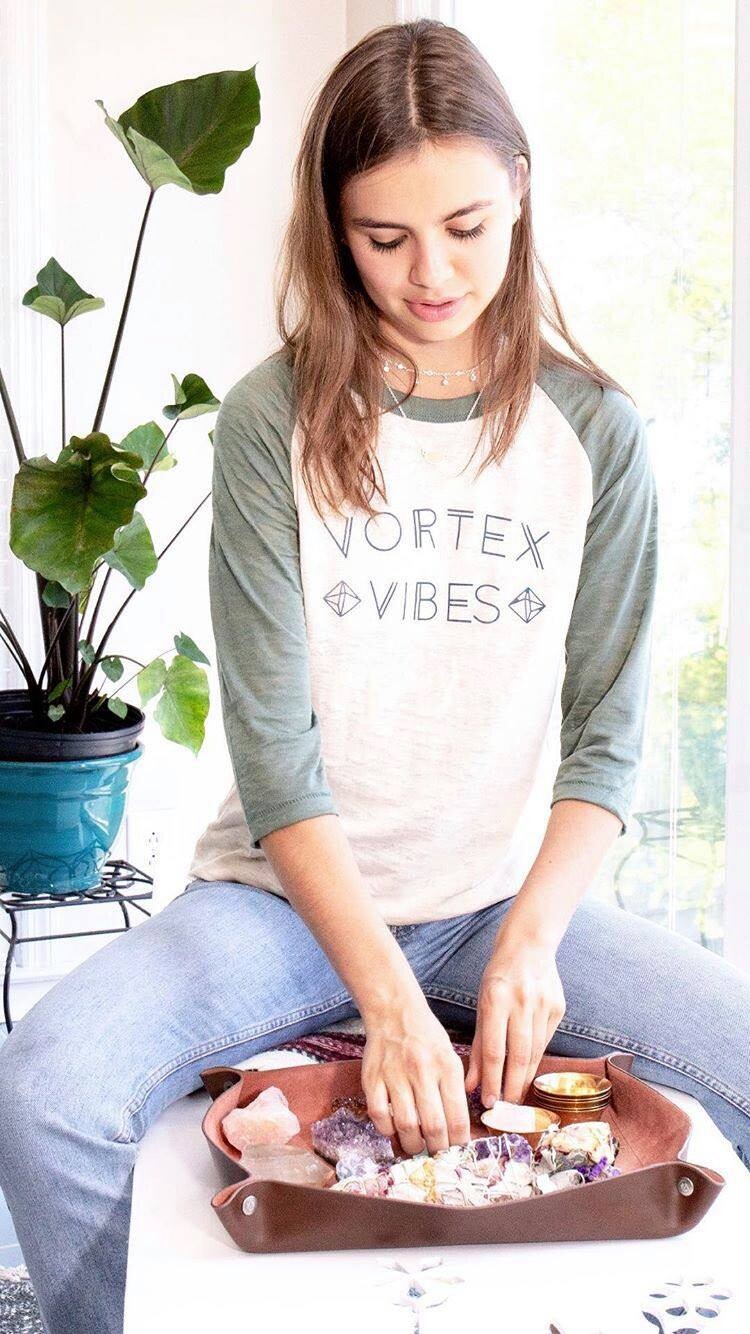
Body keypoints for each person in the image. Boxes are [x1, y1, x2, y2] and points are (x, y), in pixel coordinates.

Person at [0, 17, 748, 1334]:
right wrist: (390, 1002)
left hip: (503, 901)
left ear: (519, 188)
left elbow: (607, 738)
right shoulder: (271, 420)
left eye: (465, 225)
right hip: (281, 903)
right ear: (332, 229)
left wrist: (529, 940)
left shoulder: (595, 431)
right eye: (384, 236)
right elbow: (276, 753)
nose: (431, 273)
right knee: (49, 1088)